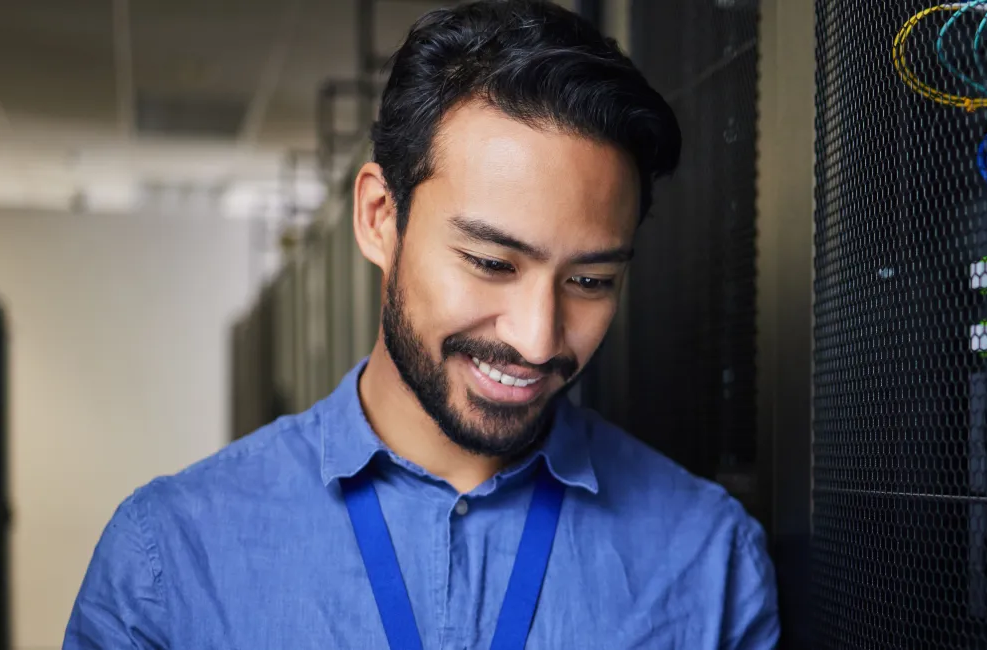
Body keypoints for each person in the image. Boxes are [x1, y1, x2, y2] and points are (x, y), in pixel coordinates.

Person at [62, 1, 779, 648]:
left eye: (589, 281)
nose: (537, 339)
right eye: (492, 262)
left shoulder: (706, 563)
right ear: (380, 218)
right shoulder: (170, 560)